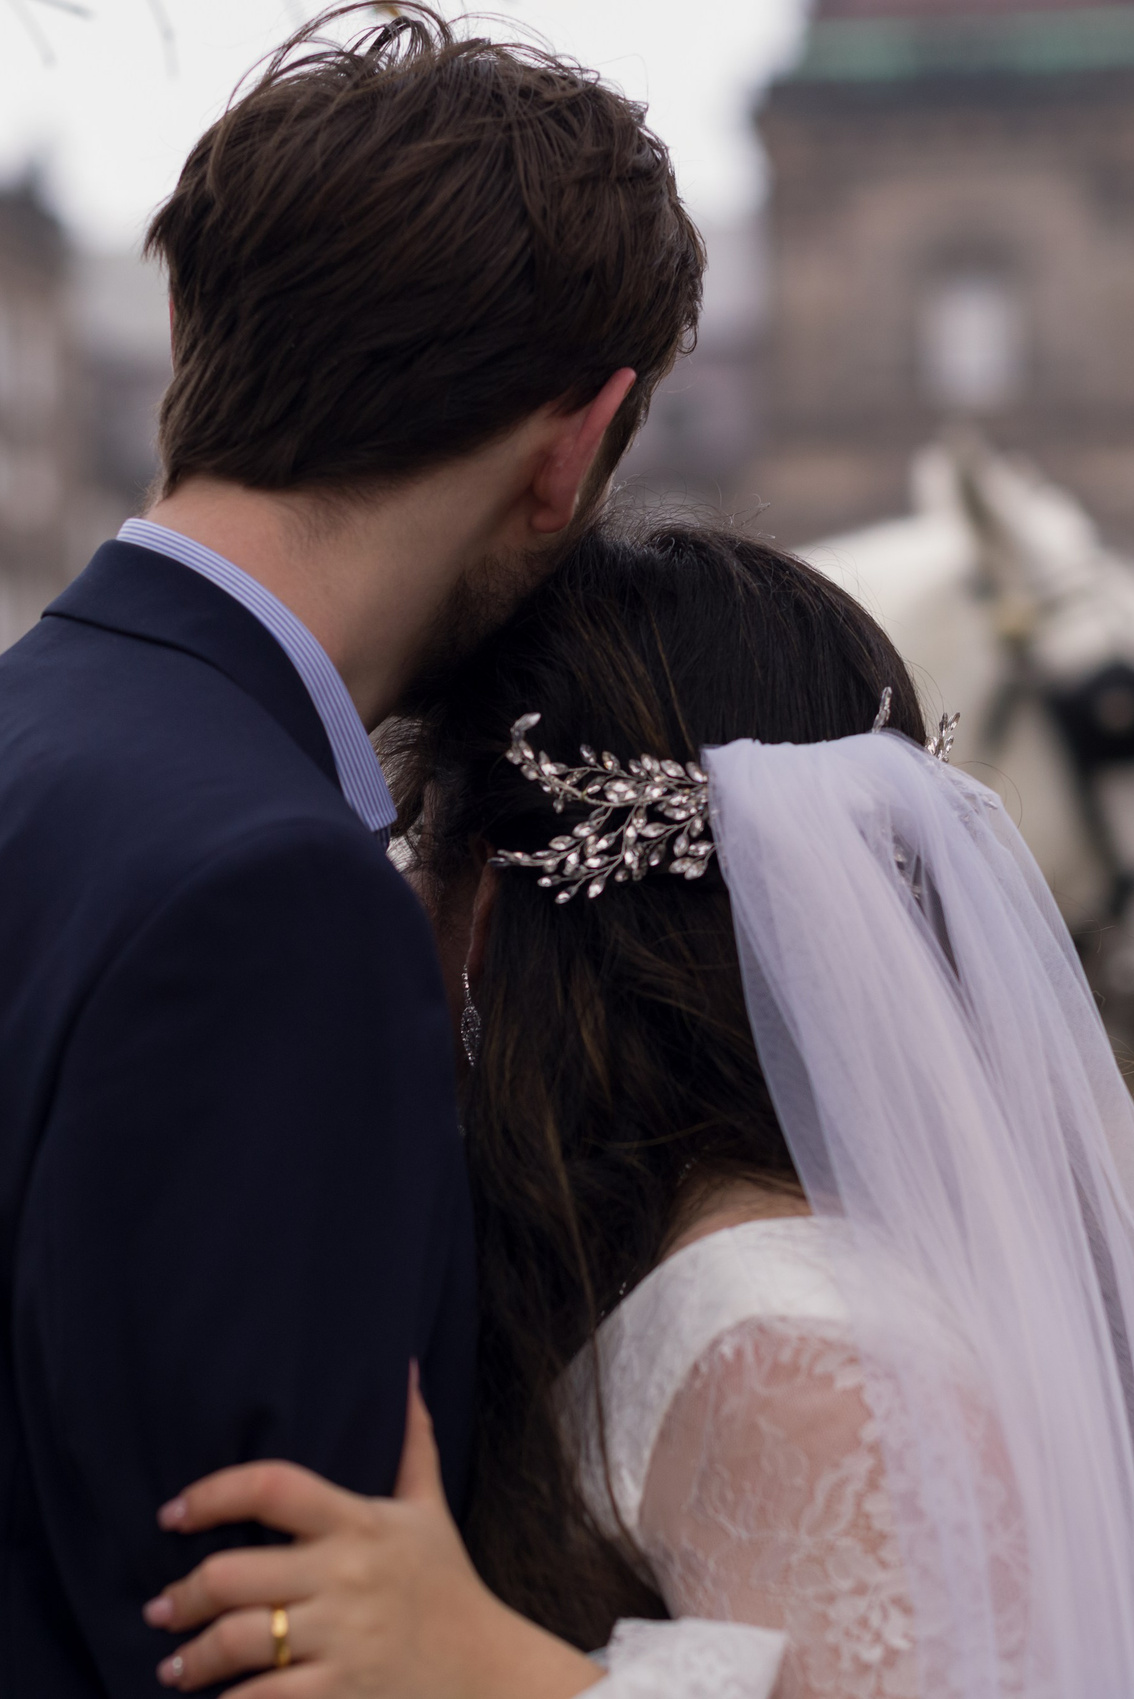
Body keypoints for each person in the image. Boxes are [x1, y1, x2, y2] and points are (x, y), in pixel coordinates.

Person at [0, 6, 703, 1692]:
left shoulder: (42, 736)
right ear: (573, 446)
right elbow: (261, 1639)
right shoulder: (273, 891)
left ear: (182, 325)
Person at [146, 523, 1134, 1699]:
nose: (404, 900)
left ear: (493, 920)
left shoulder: (796, 1354)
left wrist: (478, 1665)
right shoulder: (710, 1293)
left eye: (426, 843)